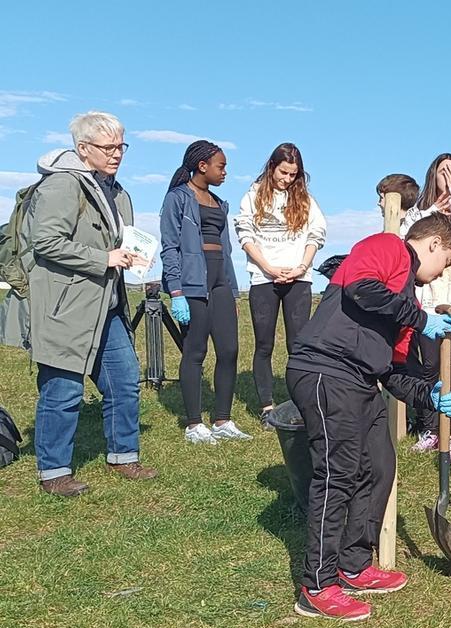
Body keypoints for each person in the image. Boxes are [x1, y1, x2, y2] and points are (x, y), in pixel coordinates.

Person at [287, 214, 451, 622]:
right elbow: (361, 289)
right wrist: (420, 320)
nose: (440, 274)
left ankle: (353, 564)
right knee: (338, 474)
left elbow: (392, 371)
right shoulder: (388, 247)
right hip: (326, 370)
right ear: (434, 244)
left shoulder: (408, 302)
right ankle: (316, 585)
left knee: (378, 467)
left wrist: (431, 394)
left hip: (362, 381)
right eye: (446, 262)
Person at [28, 111, 155, 497]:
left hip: (108, 302)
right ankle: (54, 472)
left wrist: (130, 256)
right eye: (108, 147)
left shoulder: (117, 191)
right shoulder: (62, 186)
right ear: (83, 149)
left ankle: (123, 456)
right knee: (63, 388)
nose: (117, 153)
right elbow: (46, 241)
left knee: (123, 381)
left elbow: (118, 241)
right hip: (68, 305)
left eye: (121, 145)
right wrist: (104, 259)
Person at [160, 140, 251, 444]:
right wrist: (176, 291)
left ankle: (222, 420)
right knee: (195, 351)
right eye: (221, 166)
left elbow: (225, 250)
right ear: (202, 166)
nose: (225, 172)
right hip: (191, 283)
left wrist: (232, 292)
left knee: (229, 350)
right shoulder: (178, 198)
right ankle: (194, 424)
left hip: (220, 281)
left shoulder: (219, 203)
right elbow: (170, 247)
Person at [234, 142, 328, 428]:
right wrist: (268, 267)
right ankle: (266, 407)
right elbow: (245, 236)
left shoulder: (306, 200)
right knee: (264, 344)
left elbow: (316, 234)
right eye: (283, 173)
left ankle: (300, 405)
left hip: (298, 279)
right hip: (265, 278)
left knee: (298, 345)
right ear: (272, 167)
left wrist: (301, 267)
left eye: (292, 175)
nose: (287, 179)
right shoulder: (252, 196)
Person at [405, 154, 451, 458]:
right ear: (432, 176)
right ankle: (428, 428)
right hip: (426, 300)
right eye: (444, 171)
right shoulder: (417, 213)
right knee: (428, 366)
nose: (450, 176)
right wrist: (435, 211)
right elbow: (406, 239)